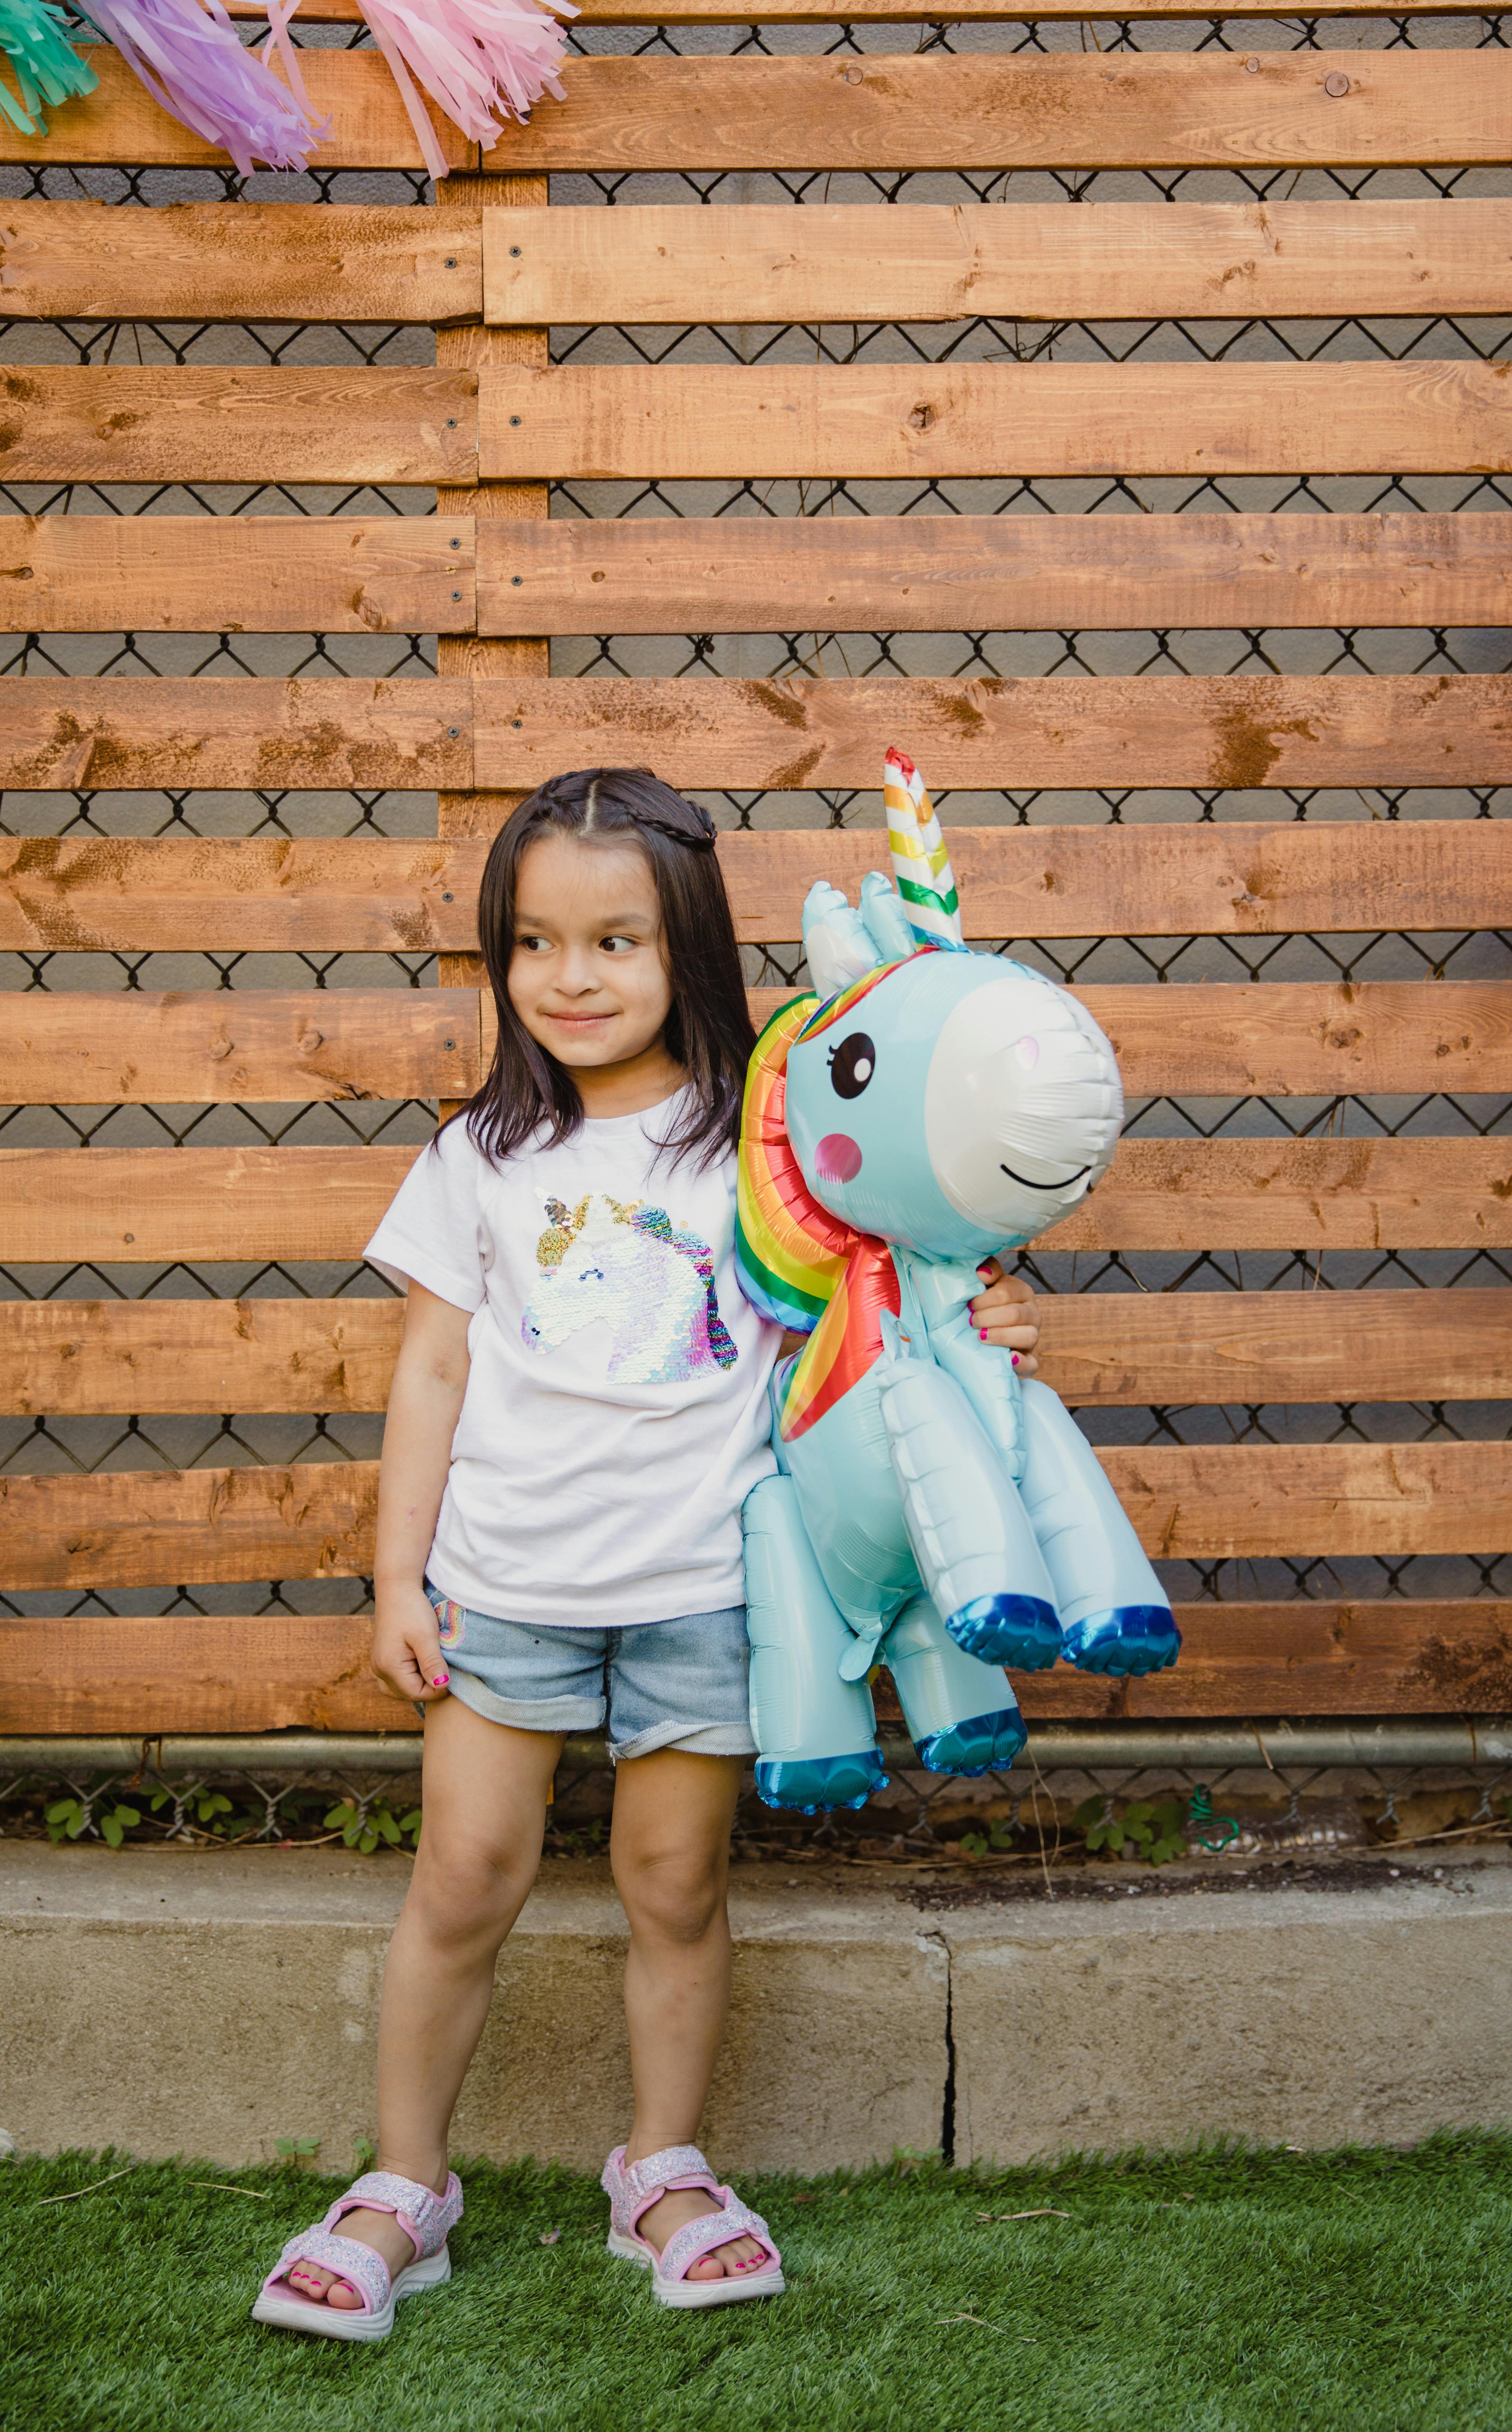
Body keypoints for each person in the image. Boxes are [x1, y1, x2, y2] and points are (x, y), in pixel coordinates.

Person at [251, 769, 1044, 2338]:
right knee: (463, 1877)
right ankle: (405, 2185)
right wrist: (397, 1579)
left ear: (688, 946)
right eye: (535, 943)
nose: (572, 976)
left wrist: (997, 1312)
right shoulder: (479, 1153)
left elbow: (896, 1290)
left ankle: (665, 2172)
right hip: (508, 1591)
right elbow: (430, 1370)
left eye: (615, 940)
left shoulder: (772, 1140)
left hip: (705, 1597)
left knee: (672, 1883)